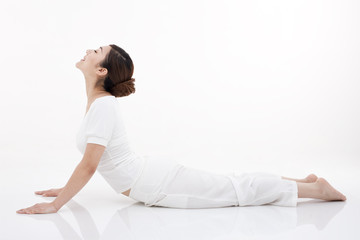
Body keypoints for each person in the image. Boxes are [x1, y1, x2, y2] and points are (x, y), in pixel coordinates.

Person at [16, 44, 347, 214]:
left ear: (101, 70)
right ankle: (304, 183)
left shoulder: (102, 106)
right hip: (153, 179)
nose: (88, 51)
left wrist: (56, 205)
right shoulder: (99, 104)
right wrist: (64, 189)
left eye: (95, 51)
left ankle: (316, 191)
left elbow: (89, 165)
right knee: (232, 183)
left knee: (236, 191)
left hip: (157, 184)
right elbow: (94, 163)